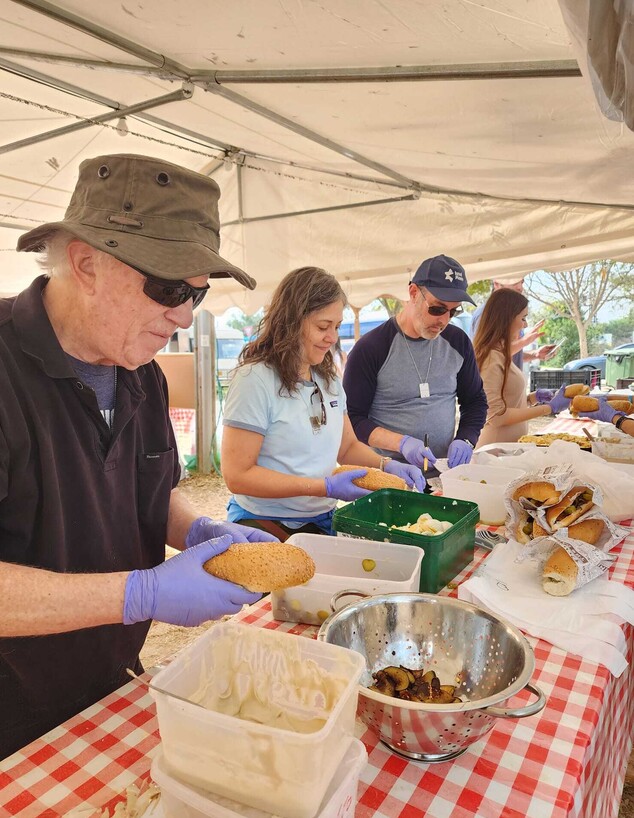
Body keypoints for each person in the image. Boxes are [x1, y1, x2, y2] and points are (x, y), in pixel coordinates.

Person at [0, 154, 279, 760]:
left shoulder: (141, 375)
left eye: (198, 293)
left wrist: (199, 529)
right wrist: (140, 594)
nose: (183, 314)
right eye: (169, 287)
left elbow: (149, 490)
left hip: (104, 689)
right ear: (86, 263)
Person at [221, 267, 424, 540]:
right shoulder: (255, 380)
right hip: (264, 522)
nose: (333, 337)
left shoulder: (327, 379)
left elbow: (347, 446)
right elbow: (238, 475)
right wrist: (323, 487)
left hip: (322, 520)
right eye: (322, 326)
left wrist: (386, 465)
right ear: (291, 322)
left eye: (337, 327)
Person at [343, 254, 488, 471]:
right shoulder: (371, 348)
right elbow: (353, 420)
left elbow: (475, 401)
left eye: (453, 311)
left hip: (443, 472)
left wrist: (466, 438)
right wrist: (401, 443)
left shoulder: (458, 342)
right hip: (388, 475)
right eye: (437, 309)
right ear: (413, 293)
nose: (444, 320)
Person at [472, 289, 571, 447]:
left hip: (507, 448)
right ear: (507, 319)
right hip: (494, 451)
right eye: (523, 318)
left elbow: (509, 403)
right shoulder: (492, 357)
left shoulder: (501, 353)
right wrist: (548, 408)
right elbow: (496, 416)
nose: (525, 324)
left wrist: (533, 398)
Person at [469, 278, 558, 369]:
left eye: (522, 282)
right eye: (515, 282)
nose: (520, 288)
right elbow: (488, 355)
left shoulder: (507, 314)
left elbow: (508, 354)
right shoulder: (485, 314)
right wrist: (524, 341)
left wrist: (535, 354)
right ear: (497, 284)